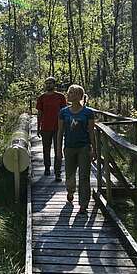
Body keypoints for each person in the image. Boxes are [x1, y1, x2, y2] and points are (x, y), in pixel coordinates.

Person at [56, 84, 96, 214]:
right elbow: (60, 132)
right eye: (69, 92)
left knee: (84, 176)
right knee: (70, 175)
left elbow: (91, 132)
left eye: (72, 93)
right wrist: (58, 149)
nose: (69, 94)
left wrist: (93, 149)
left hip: (84, 147)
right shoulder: (64, 112)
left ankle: (83, 204)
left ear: (79, 95)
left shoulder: (88, 112)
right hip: (69, 148)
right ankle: (70, 191)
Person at [36, 77, 67, 178]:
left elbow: (65, 112)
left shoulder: (60, 97)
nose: (48, 85)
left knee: (58, 149)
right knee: (46, 149)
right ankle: (47, 168)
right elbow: (39, 113)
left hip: (58, 127)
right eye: (47, 83)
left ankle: (57, 172)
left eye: (50, 83)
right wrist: (38, 127)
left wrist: (65, 127)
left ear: (54, 84)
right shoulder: (41, 98)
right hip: (45, 127)